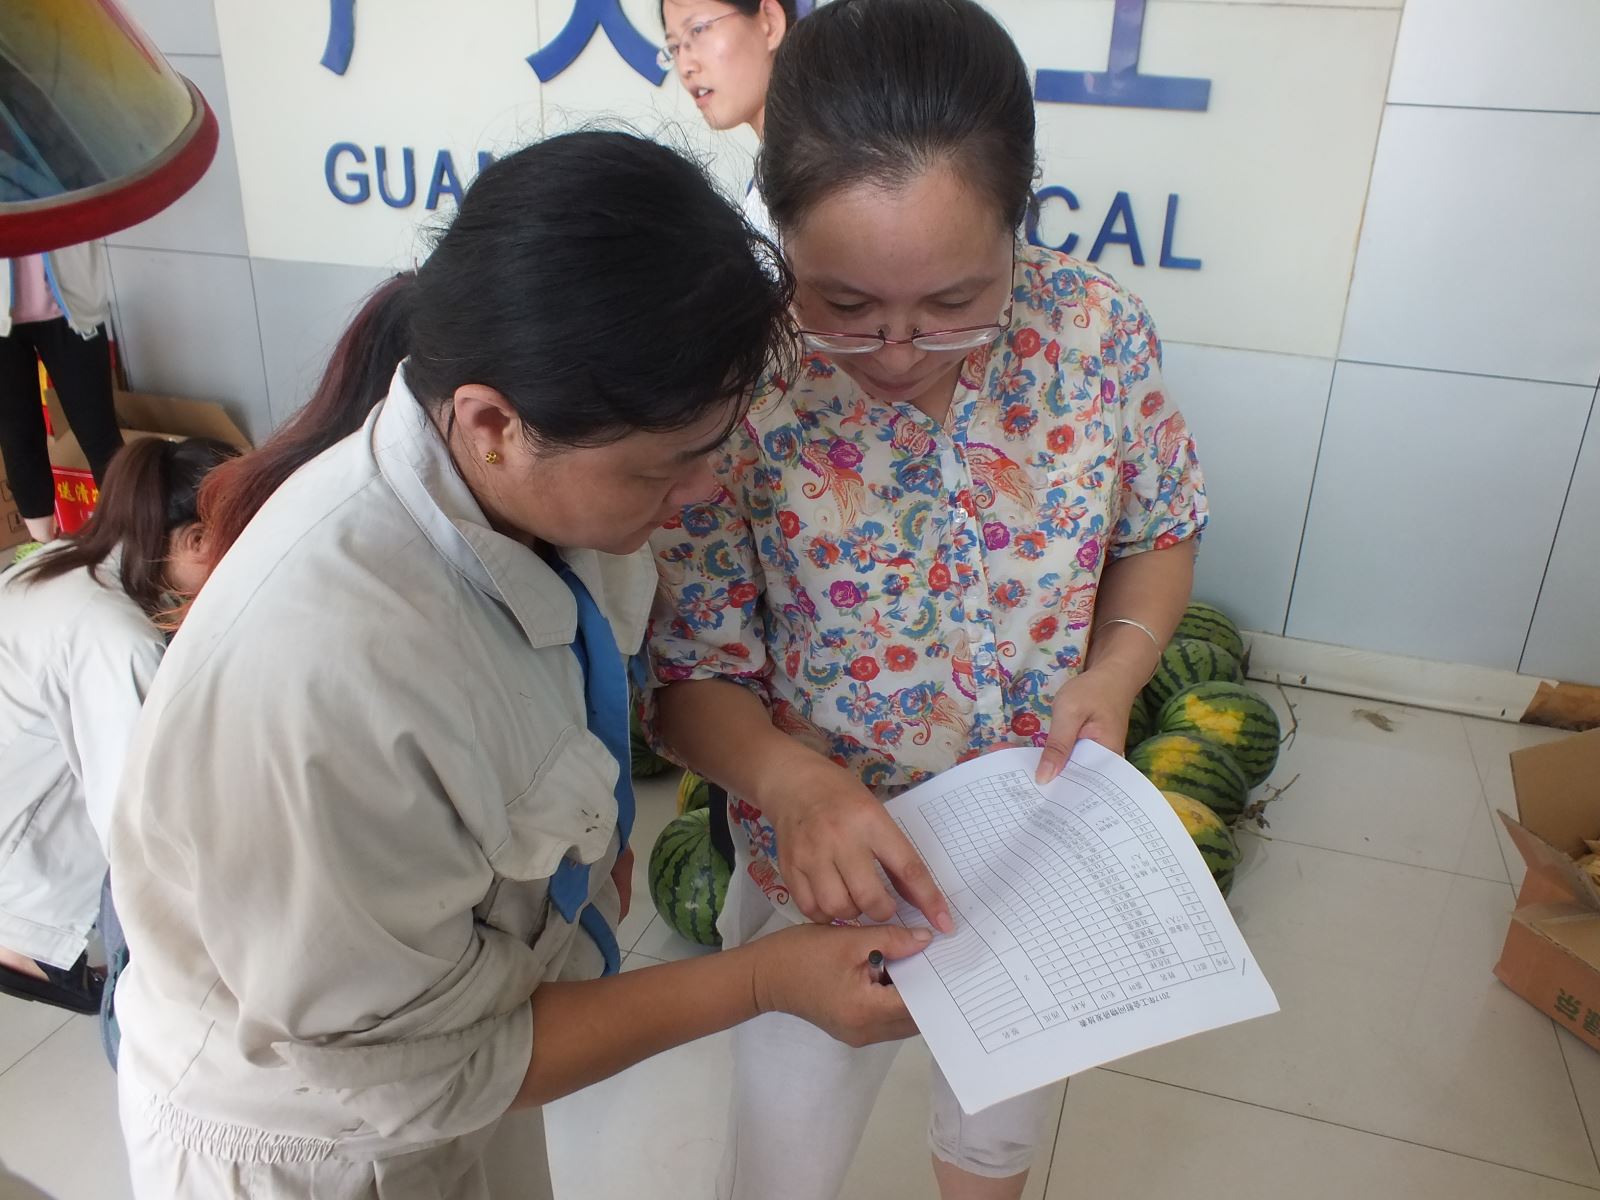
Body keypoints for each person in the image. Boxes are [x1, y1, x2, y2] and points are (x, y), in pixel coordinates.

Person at [107, 131, 929, 1200]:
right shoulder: (323, 687)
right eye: (668, 468)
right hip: (317, 1144)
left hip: (480, 1041)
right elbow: (427, 1072)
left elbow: (587, 691)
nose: (699, 493)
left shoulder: (541, 489)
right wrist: (766, 980)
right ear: (493, 423)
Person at [647, 1, 1210, 1197]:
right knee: (782, 1160)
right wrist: (795, 784)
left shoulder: (1093, 335)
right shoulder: (736, 386)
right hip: (823, 872)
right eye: (845, 307)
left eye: (955, 302)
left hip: (1034, 847)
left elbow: (1160, 530)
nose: (900, 351)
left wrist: (1116, 671)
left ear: (1018, 218)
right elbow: (690, 676)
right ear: (780, 225)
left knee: (993, 1141)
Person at [0, 435, 235, 1015]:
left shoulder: (64, 558)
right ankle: (25, 946)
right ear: (196, 540)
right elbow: (136, 817)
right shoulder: (113, 636)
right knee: (150, 809)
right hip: (18, 840)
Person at [0, 245, 124, 545]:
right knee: (17, 435)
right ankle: (43, 545)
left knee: (100, 433)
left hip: (72, 305)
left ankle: (130, 534)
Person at [659, 0, 794, 240]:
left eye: (698, 30)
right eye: (674, 47)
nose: (685, 67)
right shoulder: (765, 181)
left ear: (770, 23)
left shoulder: (829, 166)